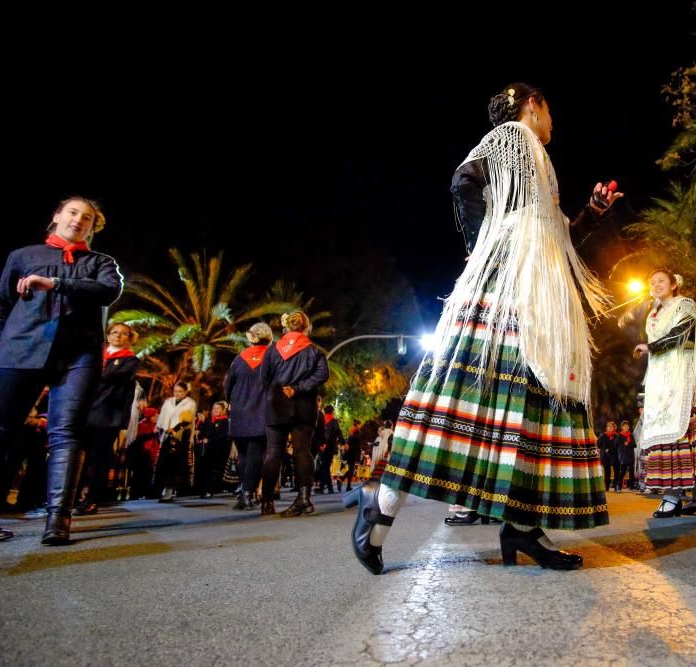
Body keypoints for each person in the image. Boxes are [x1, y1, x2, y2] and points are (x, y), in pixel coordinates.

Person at [346, 82, 622, 574]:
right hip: (510, 283)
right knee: (468, 398)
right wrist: (481, 246)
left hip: (533, 284)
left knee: (517, 400)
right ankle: (381, 504)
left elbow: (559, 234)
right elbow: (463, 181)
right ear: (532, 105)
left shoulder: (534, 164)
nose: (552, 121)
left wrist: (594, 211)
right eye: (549, 108)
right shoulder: (513, 136)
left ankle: (521, 528)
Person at [0, 196, 123, 544]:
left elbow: (109, 291)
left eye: (88, 217)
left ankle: (58, 519)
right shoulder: (22, 256)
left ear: (93, 228)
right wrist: (7, 343)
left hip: (77, 357)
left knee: (66, 432)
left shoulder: (99, 262)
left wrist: (56, 284)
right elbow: (1, 301)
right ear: (57, 216)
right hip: (19, 353)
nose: (79, 220)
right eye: (73, 212)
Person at [634, 269, 696, 517]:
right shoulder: (652, 314)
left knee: (681, 433)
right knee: (663, 433)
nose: (656, 285)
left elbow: (682, 334)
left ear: (674, 284)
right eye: (652, 282)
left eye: (661, 280)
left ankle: (672, 498)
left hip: (680, 378)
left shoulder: (685, 304)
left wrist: (651, 347)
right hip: (659, 381)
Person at [259, 311, 329, 516]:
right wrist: (299, 388)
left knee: (274, 451)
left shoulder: (272, 351)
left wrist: (279, 389)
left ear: (287, 327)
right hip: (303, 405)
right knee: (302, 451)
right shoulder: (314, 351)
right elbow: (322, 375)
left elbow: (264, 377)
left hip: (277, 403)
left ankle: (267, 500)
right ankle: (304, 498)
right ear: (307, 328)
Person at [77, 322, 140, 514]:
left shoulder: (130, 360)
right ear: (108, 335)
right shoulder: (97, 356)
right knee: (78, 458)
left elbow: (109, 377)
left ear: (130, 338)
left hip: (107, 415)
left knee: (98, 459)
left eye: (124, 334)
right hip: (85, 413)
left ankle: (92, 499)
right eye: (114, 332)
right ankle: (71, 496)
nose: (118, 336)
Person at [224, 322, 272, 510]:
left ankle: (244, 491)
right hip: (261, 413)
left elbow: (227, 386)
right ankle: (247, 494)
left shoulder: (238, 360)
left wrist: (234, 402)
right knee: (255, 455)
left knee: (243, 456)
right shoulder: (270, 359)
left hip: (239, 414)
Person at [154, 382, 197, 502]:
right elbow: (162, 418)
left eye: (180, 391)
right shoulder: (168, 402)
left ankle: (170, 490)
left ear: (185, 392)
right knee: (163, 463)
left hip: (180, 437)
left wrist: (174, 430)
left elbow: (187, 420)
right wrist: (162, 428)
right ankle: (161, 489)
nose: (177, 394)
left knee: (174, 465)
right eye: (175, 391)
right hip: (167, 436)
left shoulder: (190, 403)